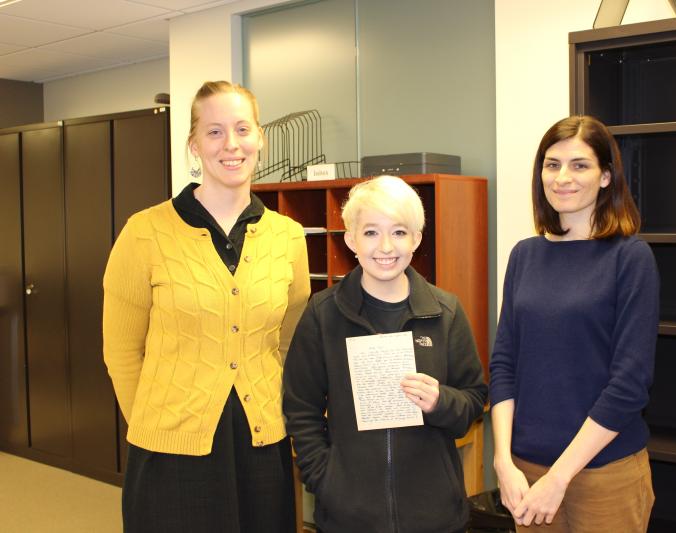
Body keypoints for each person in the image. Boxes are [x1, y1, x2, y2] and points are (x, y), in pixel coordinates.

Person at [103, 80, 310, 532]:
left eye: (242, 129)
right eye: (214, 132)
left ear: (261, 139)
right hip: (172, 450)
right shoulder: (145, 232)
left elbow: (289, 342)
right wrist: (153, 425)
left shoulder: (288, 237)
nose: (230, 144)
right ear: (194, 144)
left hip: (262, 442)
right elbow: (121, 351)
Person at [283, 175, 487, 533]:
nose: (386, 247)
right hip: (349, 517)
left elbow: (472, 400)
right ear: (351, 240)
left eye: (399, 232)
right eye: (371, 232)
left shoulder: (446, 312)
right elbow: (301, 408)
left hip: (434, 515)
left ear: (416, 240)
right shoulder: (323, 314)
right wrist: (326, 480)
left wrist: (441, 401)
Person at [490, 115, 659, 532]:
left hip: (603, 472)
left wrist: (560, 477)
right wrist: (502, 461)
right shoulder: (524, 256)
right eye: (552, 164)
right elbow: (504, 365)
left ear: (606, 176)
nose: (562, 177)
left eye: (579, 165)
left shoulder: (629, 258)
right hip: (526, 472)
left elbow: (629, 384)